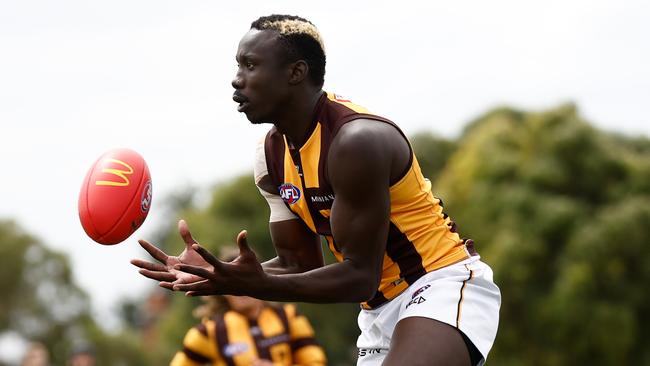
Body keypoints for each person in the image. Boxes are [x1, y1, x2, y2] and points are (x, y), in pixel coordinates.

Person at [132, 14, 501, 366]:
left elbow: (359, 277)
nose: (236, 80)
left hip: (439, 284)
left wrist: (255, 284)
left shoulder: (356, 141)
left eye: (250, 65)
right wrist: (221, 274)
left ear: (296, 72)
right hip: (379, 308)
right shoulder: (270, 155)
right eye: (237, 66)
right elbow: (299, 264)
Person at [171, 291, 326, 365]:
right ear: (223, 290)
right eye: (232, 282)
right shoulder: (207, 332)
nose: (240, 288)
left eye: (245, 279)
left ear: (259, 281)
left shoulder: (289, 316)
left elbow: (317, 363)